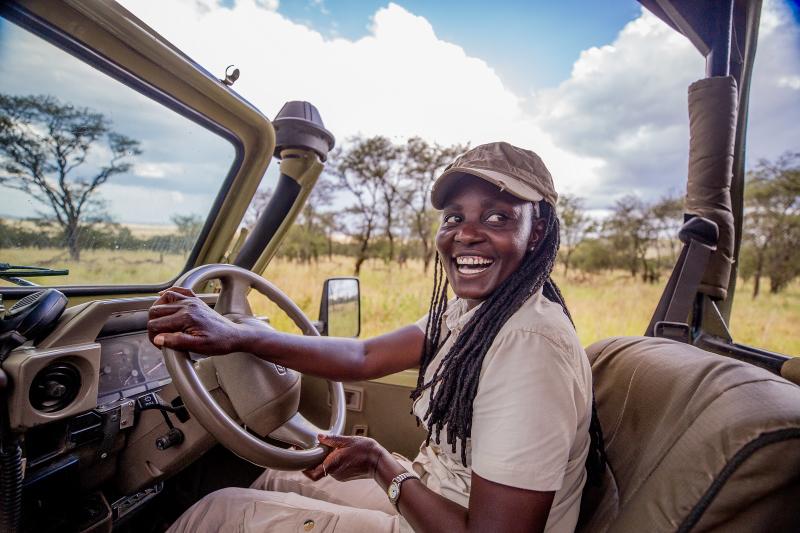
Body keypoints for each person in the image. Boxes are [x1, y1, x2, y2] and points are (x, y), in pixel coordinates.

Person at [147, 141, 605, 533]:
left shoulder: (529, 346)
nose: (466, 233)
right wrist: (239, 337)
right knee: (274, 478)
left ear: (538, 230)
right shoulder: (479, 312)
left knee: (216, 512)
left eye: (498, 217)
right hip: (439, 494)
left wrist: (379, 464)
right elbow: (364, 354)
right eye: (453, 217)